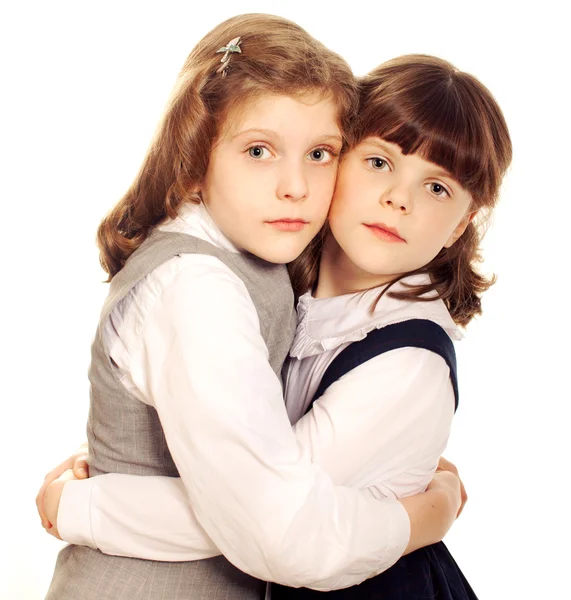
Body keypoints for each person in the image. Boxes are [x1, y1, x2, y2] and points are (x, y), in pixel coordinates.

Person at [38, 14, 462, 600]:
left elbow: (249, 470)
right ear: (196, 153)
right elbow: (274, 523)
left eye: (319, 153)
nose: (295, 185)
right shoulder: (197, 289)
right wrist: (422, 518)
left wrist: (94, 502)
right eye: (259, 150)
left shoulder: (261, 269)